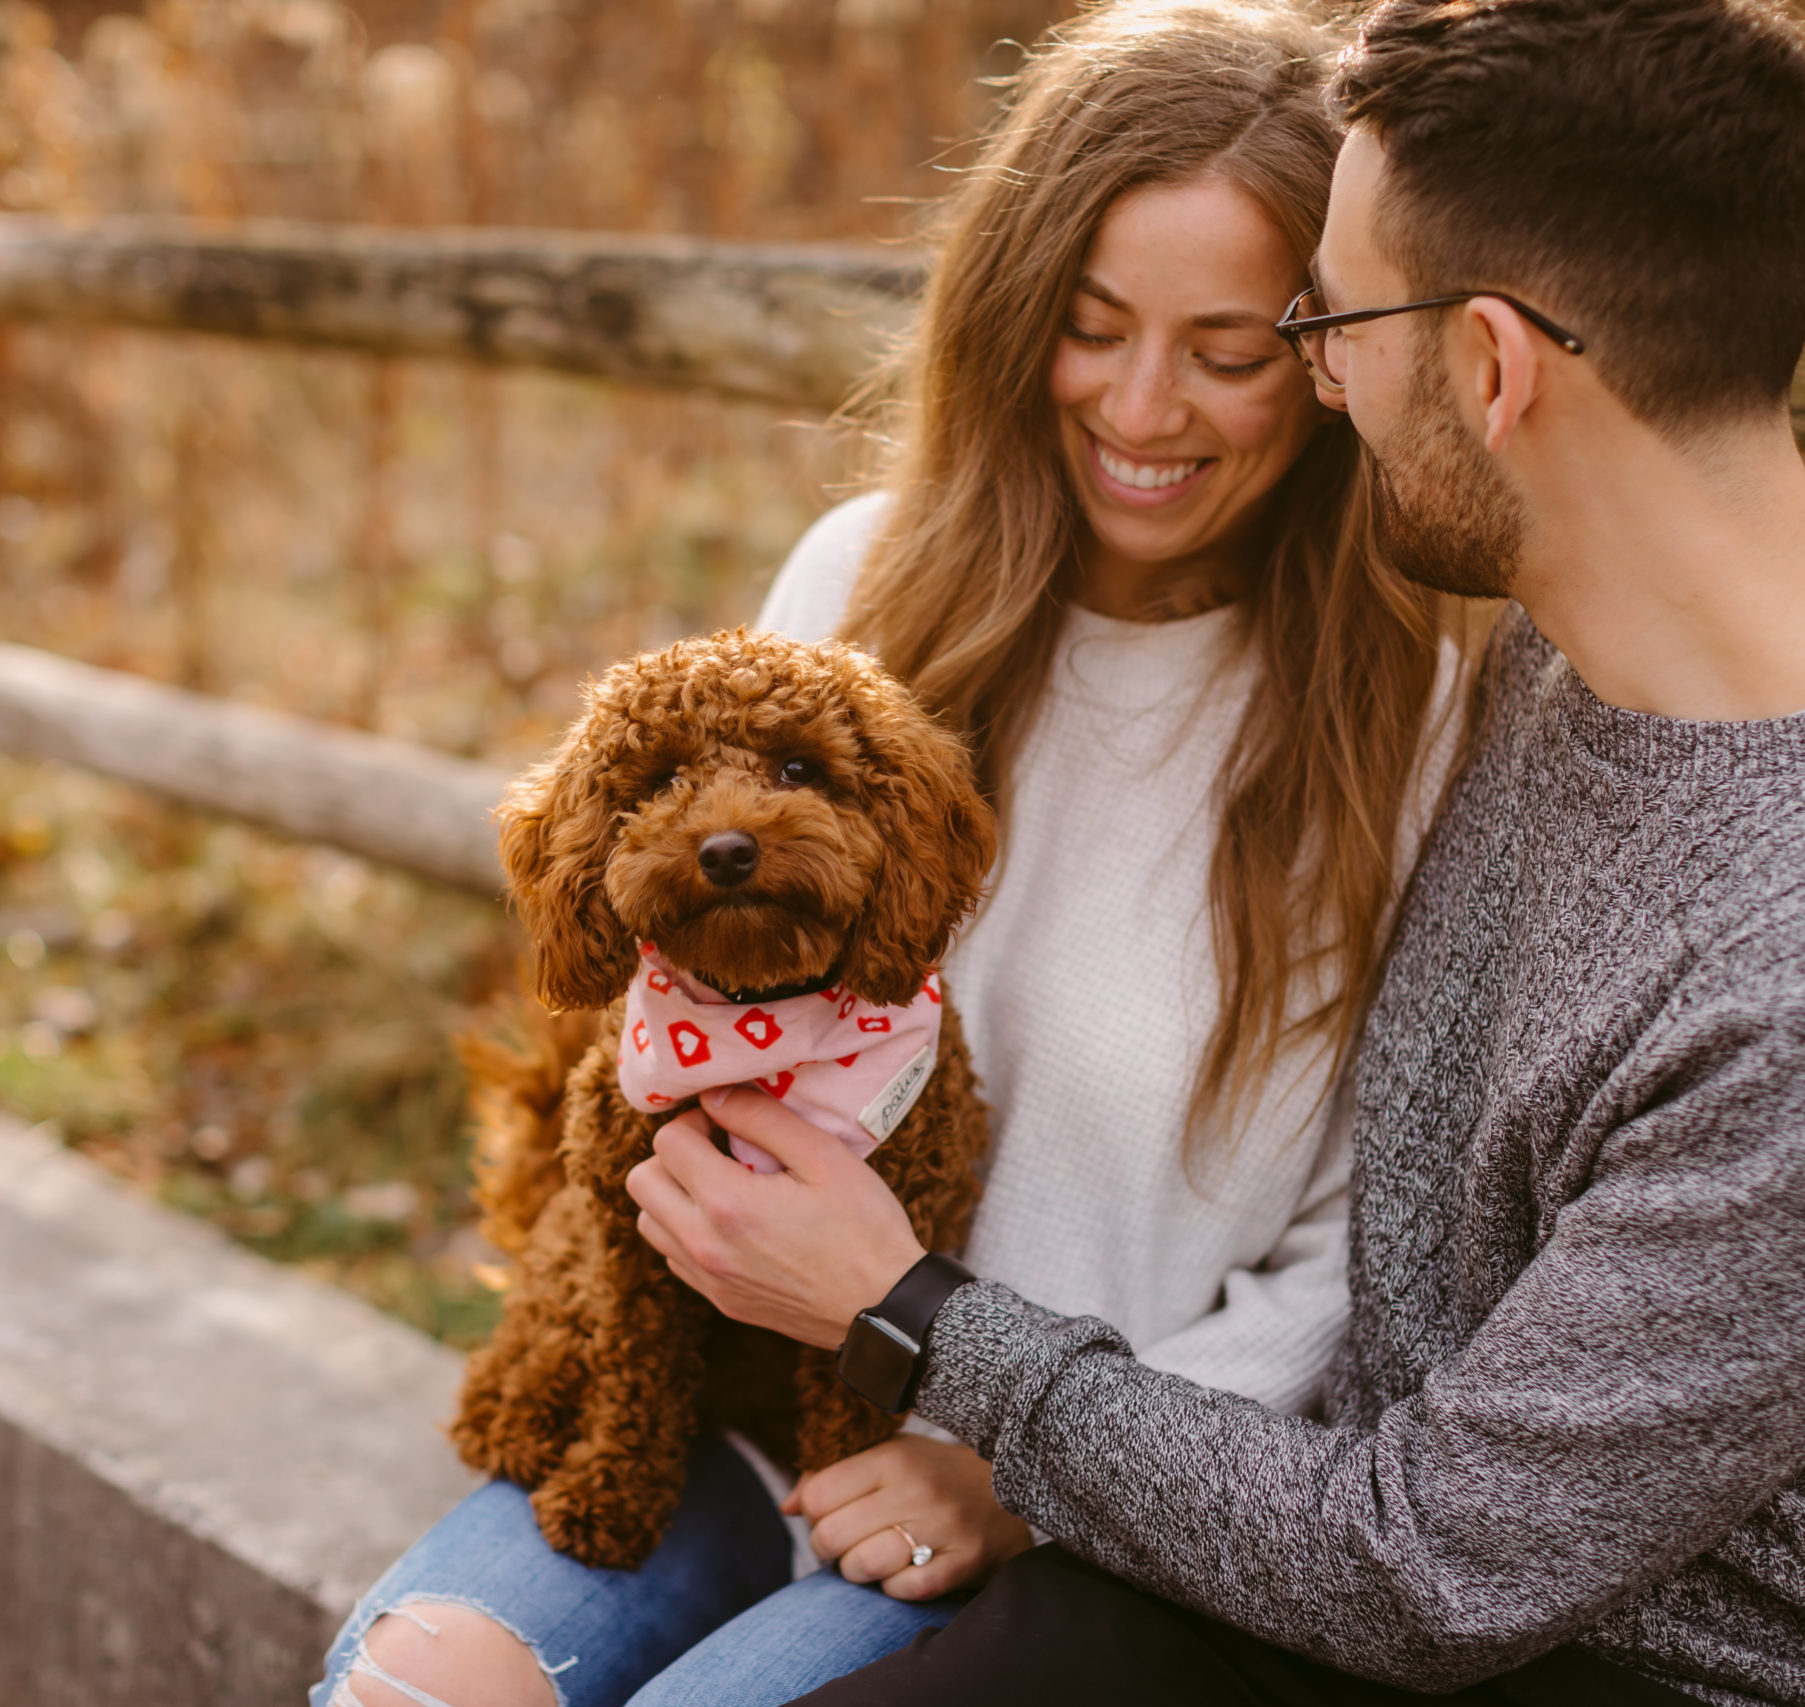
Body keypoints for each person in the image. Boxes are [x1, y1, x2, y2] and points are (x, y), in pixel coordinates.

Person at [626, 1, 1805, 1704]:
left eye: (1326, 318)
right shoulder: (1583, 653)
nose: (1318, 372)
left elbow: (1436, 1565)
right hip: (1328, 1578)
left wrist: (916, 1313)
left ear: (1490, 367)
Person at [312, 5, 1467, 1705]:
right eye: (1091, 328)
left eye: (1225, 350)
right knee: (423, 1688)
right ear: (1014, 320)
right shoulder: (862, 582)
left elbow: (1353, 1260)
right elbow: (657, 1008)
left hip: (1062, 1510)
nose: (1144, 408)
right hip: (731, 1406)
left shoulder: (1398, 729)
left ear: (1329, 354)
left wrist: (1020, 1464)